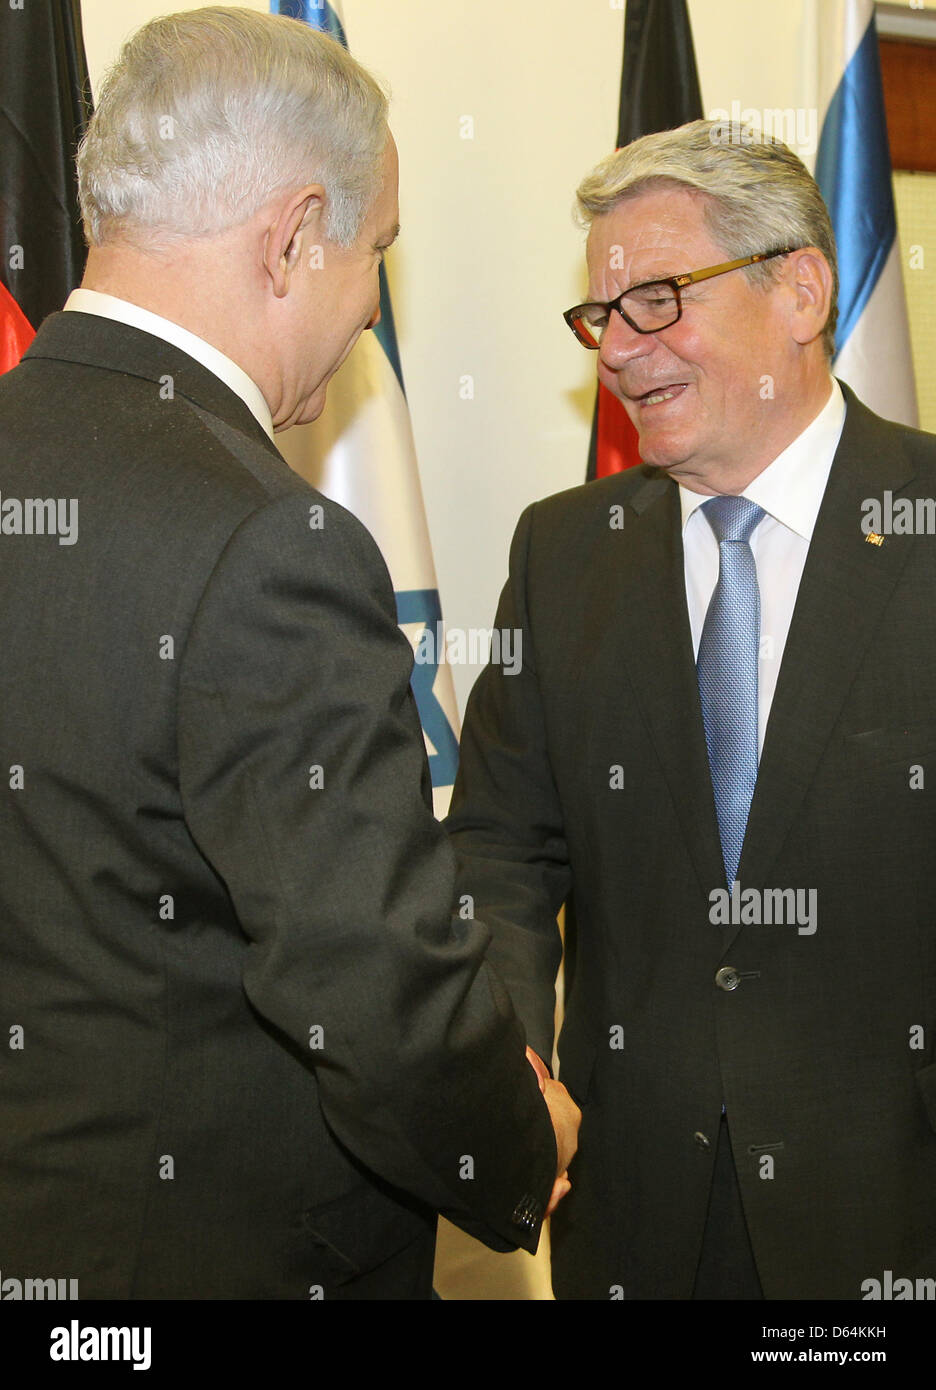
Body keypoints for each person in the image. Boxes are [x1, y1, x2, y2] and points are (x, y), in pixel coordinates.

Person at [0, 7, 578, 1301]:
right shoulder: (272, 541)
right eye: (376, 253)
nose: (371, 307)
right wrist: (518, 1137)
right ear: (296, 234)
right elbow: (371, 985)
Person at [446, 118, 936, 1301]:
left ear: (803, 290)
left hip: (896, 1216)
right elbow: (501, 843)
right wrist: (513, 1055)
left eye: (658, 300)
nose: (619, 349)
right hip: (637, 1214)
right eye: (602, 316)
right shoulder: (565, 551)